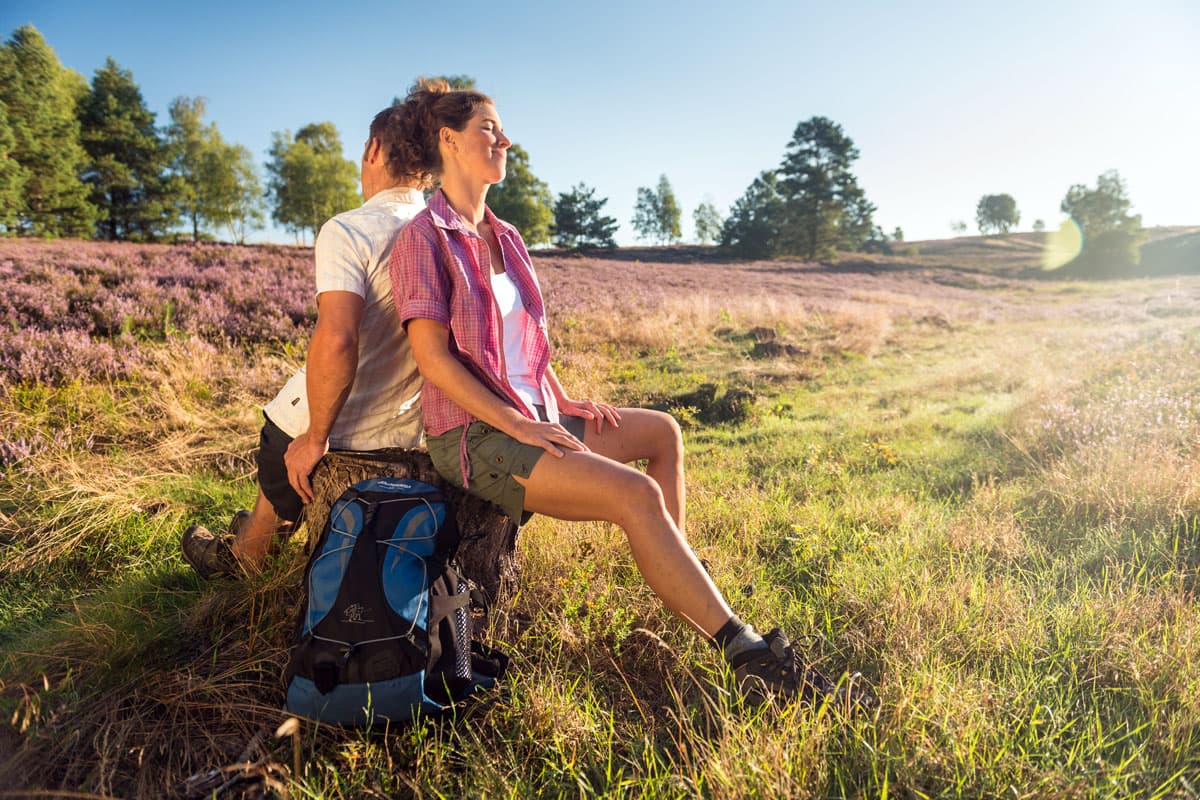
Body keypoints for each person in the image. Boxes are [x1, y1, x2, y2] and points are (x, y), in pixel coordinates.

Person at [389, 79, 871, 709]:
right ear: (449, 140)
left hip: (536, 412)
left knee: (663, 433)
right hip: (475, 434)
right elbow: (435, 360)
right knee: (637, 495)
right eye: (489, 128)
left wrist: (560, 399)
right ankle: (744, 652)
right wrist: (520, 424)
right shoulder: (422, 239)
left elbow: (521, 340)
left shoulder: (505, 237)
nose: (504, 140)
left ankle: (682, 575)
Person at [181, 102, 430, 579]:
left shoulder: (351, 229)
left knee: (283, 430)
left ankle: (246, 557)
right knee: (286, 441)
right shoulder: (444, 232)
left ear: (374, 149)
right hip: (400, 432)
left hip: (339, 429)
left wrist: (316, 437)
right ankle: (257, 530)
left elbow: (337, 340)